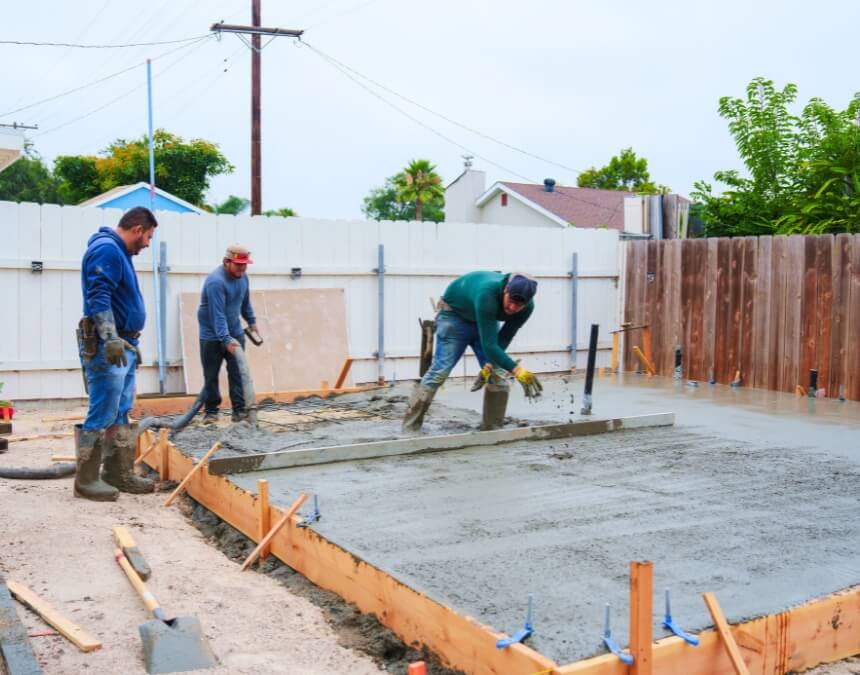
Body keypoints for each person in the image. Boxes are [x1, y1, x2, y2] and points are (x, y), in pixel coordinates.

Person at [76, 207, 158, 501]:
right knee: (103, 410)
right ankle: (86, 481)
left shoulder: (118, 253)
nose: (148, 243)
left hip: (123, 345)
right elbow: (98, 295)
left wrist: (128, 340)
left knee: (120, 409)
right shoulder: (108, 250)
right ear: (137, 229)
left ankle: (117, 473)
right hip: (106, 347)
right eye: (148, 236)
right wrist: (110, 337)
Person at [402, 271, 543, 431]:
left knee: (497, 374)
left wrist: (490, 365)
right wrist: (518, 371)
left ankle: (492, 429)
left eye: (519, 305)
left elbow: (503, 338)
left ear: (527, 302)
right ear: (506, 290)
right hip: (454, 315)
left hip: (484, 320)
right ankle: (409, 428)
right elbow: (490, 346)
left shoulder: (527, 308)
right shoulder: (488, 294)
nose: (512, 307)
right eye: (511, 301)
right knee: (440, 371)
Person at [197, 244, 260, 423]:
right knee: (211, 375)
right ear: (226, 262)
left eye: (244, 265)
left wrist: (251, 321)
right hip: (211, 335)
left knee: (237, 373)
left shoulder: (243, 278)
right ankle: (211, 412)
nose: (242, 268)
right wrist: (225, 339)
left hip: (234, 331)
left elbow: (244, 302)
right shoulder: (216, 281)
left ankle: (239, 411)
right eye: (238, 264)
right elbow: (217, 315)